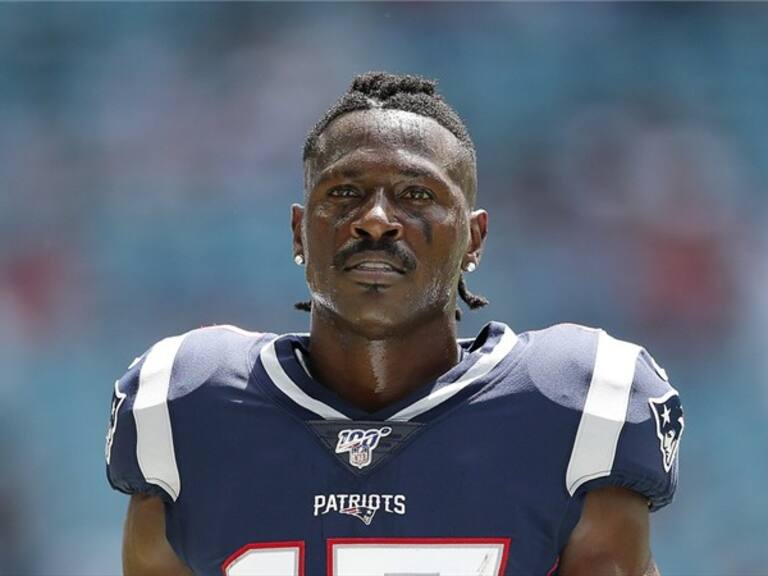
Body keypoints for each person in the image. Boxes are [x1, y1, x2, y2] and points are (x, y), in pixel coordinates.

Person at [105, 73, 683, 576]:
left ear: (474, 238)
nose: (376, 220)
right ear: (298, 232)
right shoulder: (187, 405)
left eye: (415, 193)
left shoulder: (574, 404)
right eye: (345, 192)